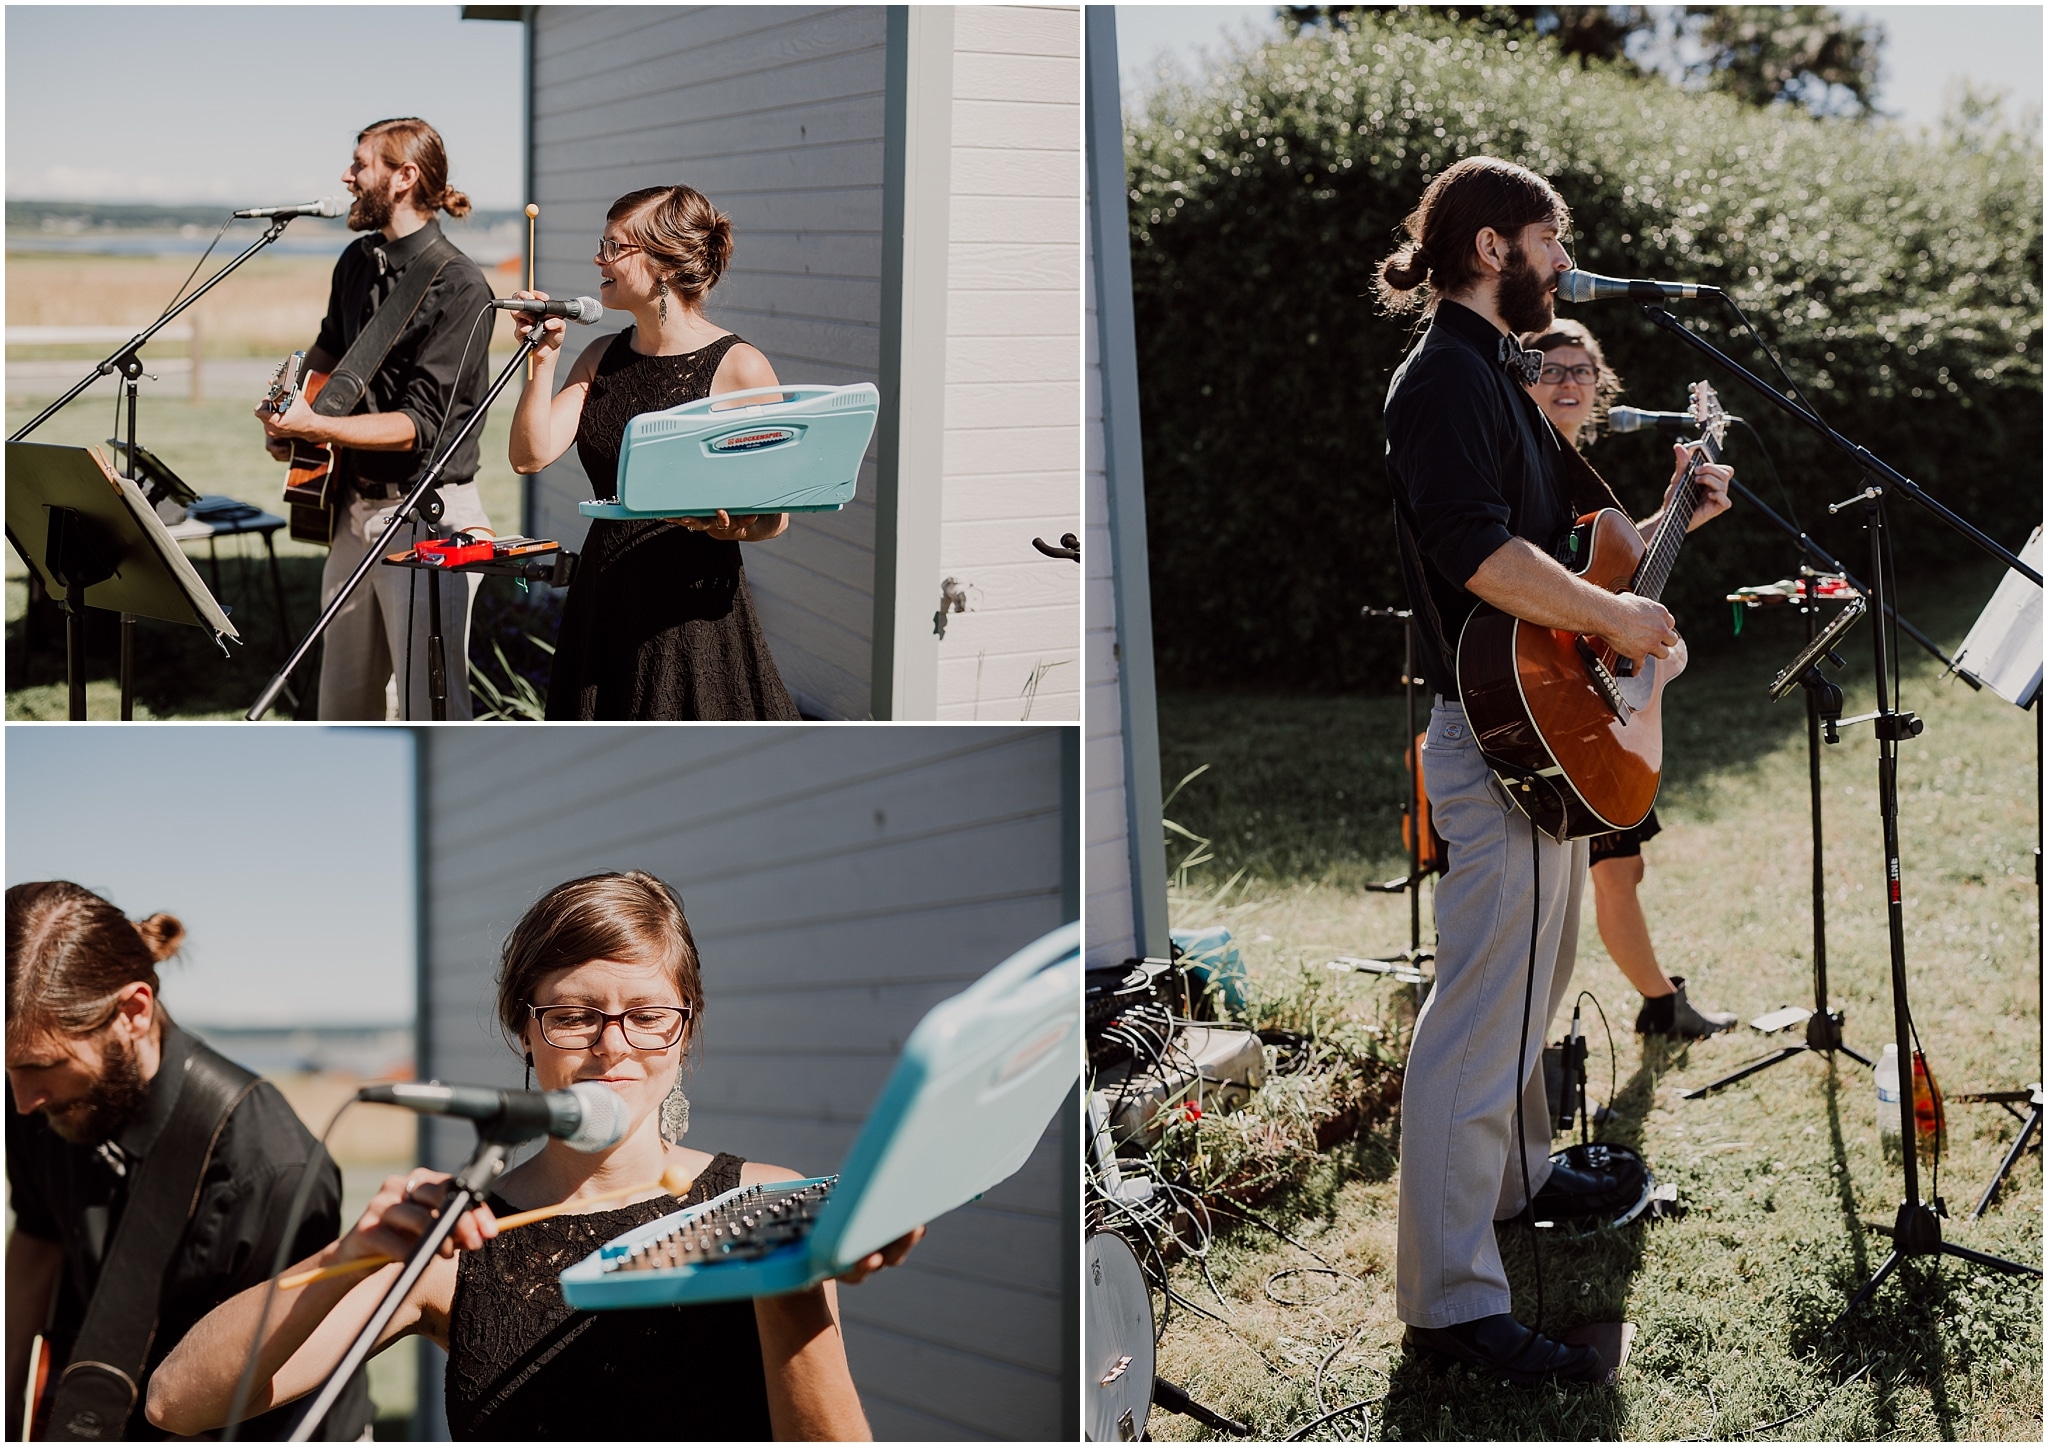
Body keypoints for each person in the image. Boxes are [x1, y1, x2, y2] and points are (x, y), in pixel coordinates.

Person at [144, 871, 919, 1441]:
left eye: (648, 1014)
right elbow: (177, 1401)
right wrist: (353, 1251)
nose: (613, 1045)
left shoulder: (764, 1198)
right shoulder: (463, 1236)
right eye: (575, 1015)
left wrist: (787, 1280)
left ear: (686, 1028)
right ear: (524, 1027)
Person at [1377, 157, 1732, 1385]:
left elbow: (1565, 554)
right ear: (1490, 246)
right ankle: (1447, 1306)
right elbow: (1477, 553)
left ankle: (1523, 1179)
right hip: (1491, 741)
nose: (1561, 255)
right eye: (1548, 236)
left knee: (1531, 981)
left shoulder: (1496, 377)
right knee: (1480, 1019)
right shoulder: (1441, 380)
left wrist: (1669, 524)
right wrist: (1617, 620)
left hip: (1533, 728)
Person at [5, 882, 371, 1441]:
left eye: (40, 1065)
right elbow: (36, 1246)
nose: (21, 1099)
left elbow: (280, 1389)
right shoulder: (41, 1097)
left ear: (132, 1011)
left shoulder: (271, 1168)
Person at [1520, 318, 1738, 1040]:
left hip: (1603, 695)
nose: (1569, 381)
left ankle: (1657, 999)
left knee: (1621, 868)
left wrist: (1683, 509)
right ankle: (1654, 1001)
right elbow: (1545, 590)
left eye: (1582, 370)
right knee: (1602, 873)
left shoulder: (1576, 470)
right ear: (1521, 376)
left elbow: (1610, 575)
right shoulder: (1527, 463)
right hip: (1560, 698)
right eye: (1552, 369)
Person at [507, 185, 800, 720]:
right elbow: (529, 457)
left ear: (664, 263)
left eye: (615, 247)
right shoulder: (600, 355)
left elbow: (774, 518)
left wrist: (725, 528)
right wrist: (543, 361)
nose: (599, 258)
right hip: (605, 593)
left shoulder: (740, 367)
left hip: (690, 613)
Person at [256, 117, 498, 720]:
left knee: (429, 708)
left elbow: (421, 424)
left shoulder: (462, 286)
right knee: (341, 707)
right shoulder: (355, 262)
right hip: (349, 509)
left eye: (361, 164)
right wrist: (286, 407)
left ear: (404, 177)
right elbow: (327, 351)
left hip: (425, 517)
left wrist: (316, 428)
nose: (347, 175)